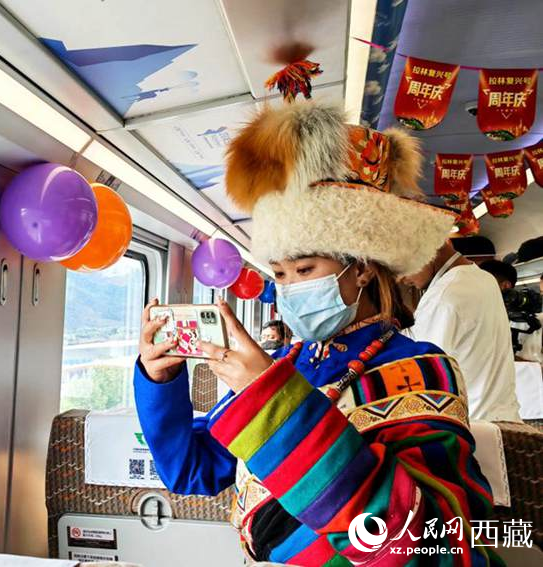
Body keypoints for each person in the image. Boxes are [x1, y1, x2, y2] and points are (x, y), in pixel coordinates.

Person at [133, 101, 500, 566]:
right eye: (280, 274)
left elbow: (423, 549)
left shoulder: (424, 369)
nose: (290, 288)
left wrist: (271, 404)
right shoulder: (282, 365)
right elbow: (192, 470)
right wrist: (160, 381)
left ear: (361, 269)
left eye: (305, 269)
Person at [402, 242, 521, 422]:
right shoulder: (483, 277)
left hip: (472, 423)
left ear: (424, 245)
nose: (401, 278)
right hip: (501, 416)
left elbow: (423, 370)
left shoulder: (445, 295)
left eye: (400, 266)